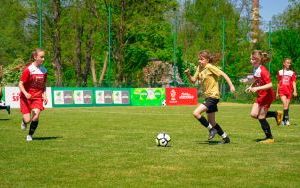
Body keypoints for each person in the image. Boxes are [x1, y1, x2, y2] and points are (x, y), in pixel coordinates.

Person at [184, 50, 235, 144]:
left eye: (202, 59)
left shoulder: (209, 66)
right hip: (208, 97)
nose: (200, 61)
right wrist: (188, 74)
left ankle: (212, 130)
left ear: (207, 60)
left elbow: (223, 74)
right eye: (199, 59)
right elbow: (193, 80)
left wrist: (231, 85)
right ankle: (225, 138)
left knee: (196, 113)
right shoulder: (199, 68)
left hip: (213, 96)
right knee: (212, 121)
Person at [245, 50, 283, 144]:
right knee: (254, 114)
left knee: (261, 117)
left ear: (258, 60)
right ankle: (275, 114)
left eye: (252, 59)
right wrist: (251, 86)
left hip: (267, 96)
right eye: (251, 58)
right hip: (261, 95)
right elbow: (257, 80)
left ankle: (269, 138)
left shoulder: (263, 70)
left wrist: (257, 88)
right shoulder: (255, 68)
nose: (251, 60)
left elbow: (270, 85)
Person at [19, 48, 48, 142]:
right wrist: (26, 93)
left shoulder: (44, 70)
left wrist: (45, 95)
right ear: (35, 57)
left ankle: (30, 135)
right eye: (41, 57)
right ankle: (24, 121)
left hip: (37, 98)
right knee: (27, 120)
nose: (43, 59)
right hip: (26, 97)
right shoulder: (28, 70)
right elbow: (20, 84)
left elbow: (43, 85)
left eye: (44, 57)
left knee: (36, 115)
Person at [276, 58, 297, 126]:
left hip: (289, 91)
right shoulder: (280, 72)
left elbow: (294, 82)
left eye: (289, 63)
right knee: (285, 104)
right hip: (282, 91)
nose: (289, 64)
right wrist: (277, 92)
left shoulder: (292, 73)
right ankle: (286, 120)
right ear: (284, 63)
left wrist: (295, 91)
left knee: (287, 106)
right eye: (287, 63)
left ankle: (284, 120)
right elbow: (278, 83)